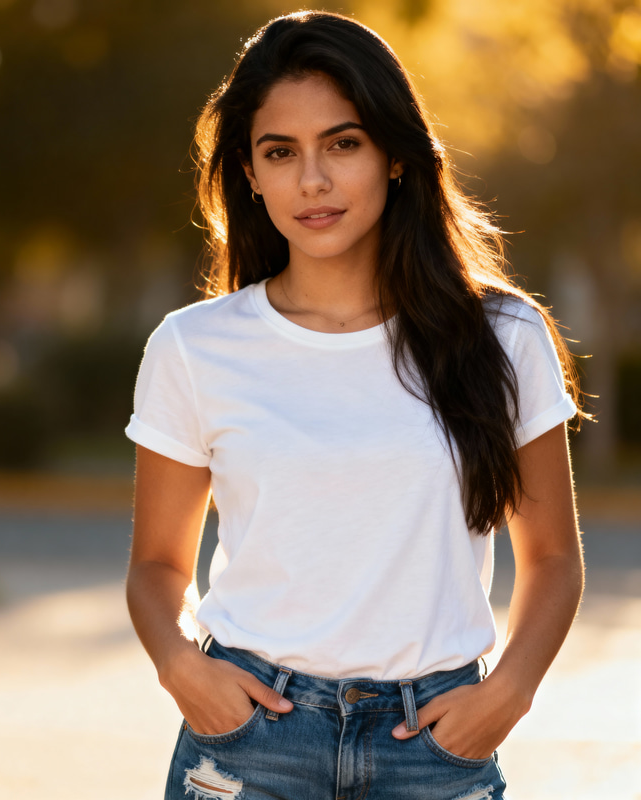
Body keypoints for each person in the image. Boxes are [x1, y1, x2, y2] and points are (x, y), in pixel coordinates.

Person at [125, 10, 585, 800]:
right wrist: (180, 668)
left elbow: (551, 559)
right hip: (248, 742)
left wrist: (507, 695)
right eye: (281, 152)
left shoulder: (503, 335)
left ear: (395, 157)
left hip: (435, 742)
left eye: (343, 144)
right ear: (249, 172)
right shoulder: (194, 347)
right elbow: (158, 566)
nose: (313, 180)